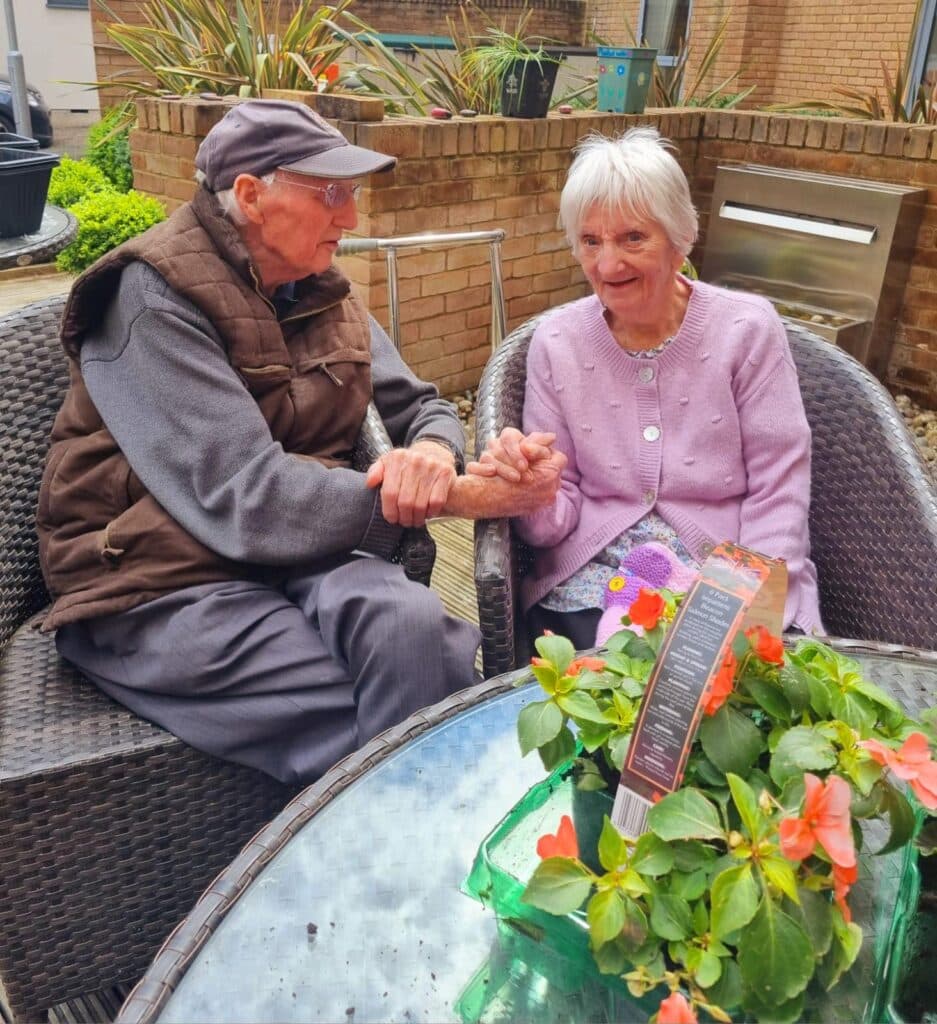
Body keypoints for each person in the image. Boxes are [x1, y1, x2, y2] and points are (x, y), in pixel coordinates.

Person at [36, 100, 565, 785]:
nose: (349, 216)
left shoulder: (319, 289)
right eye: (331, 194)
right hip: (153, 577)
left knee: (416, 636)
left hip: (293, 557)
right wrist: (462, 498)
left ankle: (394, 840)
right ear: (252, 196)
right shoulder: (151, 294)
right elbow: (247, 498)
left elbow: (421, 406)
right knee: (407, 699)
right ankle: (389, 863)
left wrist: (433, 458)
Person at [469, 126, 822, 650]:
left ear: (680, 238)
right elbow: (550, 526)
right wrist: (531, 489)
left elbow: (780, 484)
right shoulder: (557, 341)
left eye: (632, 237)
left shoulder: (746, 330)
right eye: (591, 241)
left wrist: (752, 599)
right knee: (597, 695)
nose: (608, 265)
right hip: (592, 579)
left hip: (727, 569)